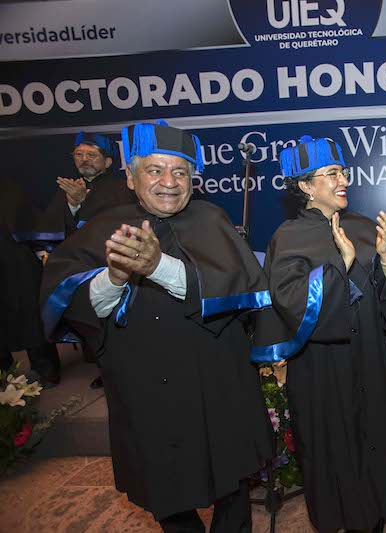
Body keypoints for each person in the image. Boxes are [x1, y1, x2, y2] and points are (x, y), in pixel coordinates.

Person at [40, 122, 274, 532]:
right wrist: (112, 277)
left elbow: (243, 291)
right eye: (155, 170)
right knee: (165, 492)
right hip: (145, 392)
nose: (170, 182)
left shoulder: (212, 220)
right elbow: (69, 302)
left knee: (231, 488)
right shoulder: (101, 227)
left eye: (180, 172)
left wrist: (159, 267)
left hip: (217, 385)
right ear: (130, 177)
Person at [251, 135, 386, 533]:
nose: (343, 180)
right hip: (322, 365)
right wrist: (338, 266)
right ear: (305, 185)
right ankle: (340, 514)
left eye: (343, 171)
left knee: (372, 433)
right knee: (332, 443)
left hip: (369, 354)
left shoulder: (360, 224)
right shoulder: (287, 237)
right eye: (331, 174)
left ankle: (373, 513)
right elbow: (290, 303)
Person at [42, 131, 135, 388]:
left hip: (110, 267)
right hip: (81, 269)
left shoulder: (121, 188)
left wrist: (86, 203)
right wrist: (72, 205)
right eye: (79, 155)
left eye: (92, 155)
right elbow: (55, 229)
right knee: (90, 322)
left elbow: (116, 224)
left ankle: (120, 370)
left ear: (107, 162)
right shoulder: (67, 189)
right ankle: (105, 370)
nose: (85, 160)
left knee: (115, 325)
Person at [0, 178, 60, 387]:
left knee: (30, 316)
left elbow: (31, 225)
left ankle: (45, 368)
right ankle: (5, 376)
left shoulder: (10, 191)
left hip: (16, 266)